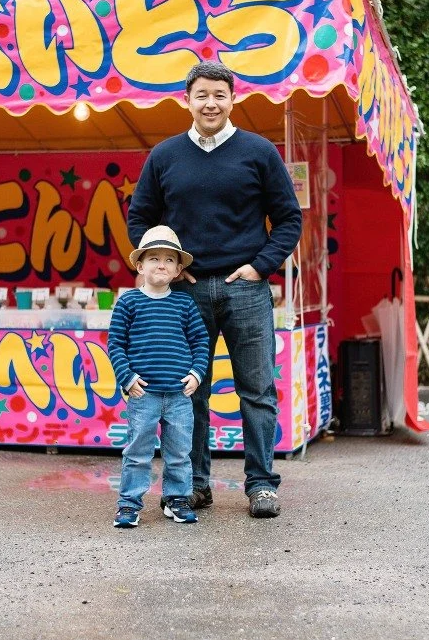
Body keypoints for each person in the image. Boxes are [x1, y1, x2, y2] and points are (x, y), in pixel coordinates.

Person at [127, 61, 302, 519]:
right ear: (187, 99)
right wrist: (169, 267)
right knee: (191, 392)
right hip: (185, 294)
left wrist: (260, 266)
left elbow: (288, 219)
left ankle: (262, 484)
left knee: (258, 390)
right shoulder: (164, 156)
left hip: (245, 290)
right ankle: (195, 484)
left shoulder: (259, 152)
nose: (210, 103)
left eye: (219, 95)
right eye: (202, 94)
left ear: (232, 99)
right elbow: (139, 220)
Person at [108, 225, 210, 528]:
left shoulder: (184, 304)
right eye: (153, 259)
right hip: (143, 394)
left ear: (178, 269)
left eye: (168, 260)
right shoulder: (128, 302)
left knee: (179, 451)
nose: (161, 265)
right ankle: (129, 504)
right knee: (138, 451)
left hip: (179, 394)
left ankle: (177, 499)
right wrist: (126, 378)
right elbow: (115, 344)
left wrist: (197, 373)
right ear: (140, 265)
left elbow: (201, 342)